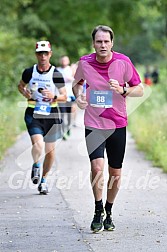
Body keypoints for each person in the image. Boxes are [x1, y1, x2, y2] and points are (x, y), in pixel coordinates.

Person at [72, 25, 143, 232]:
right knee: (96, 167)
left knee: (115, 172)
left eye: (106, 41)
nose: (102, 45)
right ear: (93, 43)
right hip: (94, 123)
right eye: (99, 41)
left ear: (112, 43)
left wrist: (122, 89)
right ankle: (97, 209)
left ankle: (109, 211)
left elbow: (139, 89)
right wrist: (79, 97)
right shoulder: (85, 63)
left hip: (117, 124)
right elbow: (77, 84)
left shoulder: (123, 62)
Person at [18, 40, 67, 194]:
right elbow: (20, 86)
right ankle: (36, 164)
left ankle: (44, 180)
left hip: (51, 114)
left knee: (51, 151)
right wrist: (24, 92)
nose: (43, 56)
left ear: (50, 54)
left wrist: (54, 96)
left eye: (46, 53)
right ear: (36, 55)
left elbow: (64, 96)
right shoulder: (29, 72)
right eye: (40, 53)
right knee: (38, 145)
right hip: (33, 113)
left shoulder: (56, 74)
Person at [57, 56, 77, 139]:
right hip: (60, 95)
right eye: (62, 60)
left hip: (70, 94)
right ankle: (63, 131)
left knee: (69, 114)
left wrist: (71, 79)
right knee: (62, 114)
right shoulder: (57, 70)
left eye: (65, 60)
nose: (63, 61)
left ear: (68, 61)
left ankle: (68, 128)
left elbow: (77, 80)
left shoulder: (71, 69)